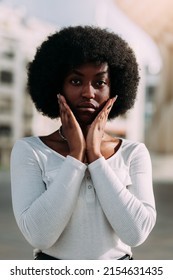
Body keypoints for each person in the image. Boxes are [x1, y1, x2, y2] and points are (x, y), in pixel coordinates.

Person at [10, 25, 156, 260]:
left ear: (113, 90)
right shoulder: (30, 151)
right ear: (58, 87)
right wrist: (76, 156)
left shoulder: (133, 153)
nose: (88, 93)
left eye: (99, 83)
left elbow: (136, 234)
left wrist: (96, 157)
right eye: (76, 81)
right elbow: (39, 236)